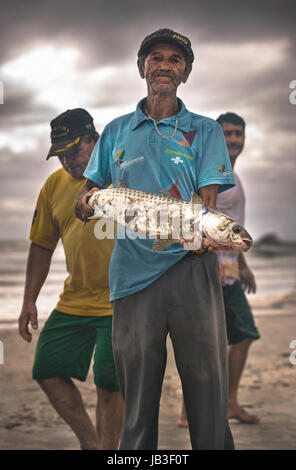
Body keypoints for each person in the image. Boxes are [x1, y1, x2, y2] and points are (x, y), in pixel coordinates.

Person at [75, 29, 235, 450]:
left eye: (175, 60)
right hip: (130, 278)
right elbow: (85, 199)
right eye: (156, 57)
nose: (165, 65)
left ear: (186, 72)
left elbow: (207, 206)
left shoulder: (204, 131)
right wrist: (91, 203)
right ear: (141, 66)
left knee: (208, 394)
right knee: (138, 404)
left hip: (192, 272)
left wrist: (208, 235)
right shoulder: (115, 131)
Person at [18, 108, 124, 450]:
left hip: (121, 299)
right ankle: (91, 444)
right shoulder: (54, 185)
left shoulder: (121, 175)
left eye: (73, 150)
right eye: (60, 154)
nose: (66, 161)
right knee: (46, 367)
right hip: (75, 298)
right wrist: (28, 300)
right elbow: (41, 245)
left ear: (95, 139)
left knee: (110, 383)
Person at [178, 112, 260, 427]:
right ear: (215, 137)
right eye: (227, 134)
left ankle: (228, 402)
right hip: (212, 271)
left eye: (239, 134)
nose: (234, 140)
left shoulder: (233, 176)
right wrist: (213, 263)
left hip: (230, 271)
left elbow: (231, 229)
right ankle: (193, 410)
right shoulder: (209, 174)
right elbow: (198, 221)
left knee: (237, 335)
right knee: (209, 341)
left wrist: (243, 264)